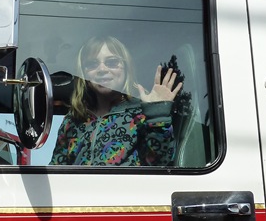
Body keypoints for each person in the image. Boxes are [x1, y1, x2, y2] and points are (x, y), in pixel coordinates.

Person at [50, 36, 182, 166]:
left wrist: (157, 115)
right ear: (83, 73)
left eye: (112, 63)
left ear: (126, 68)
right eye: (92, 64)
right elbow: (57, 167)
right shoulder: (74, 119)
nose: (102, 69)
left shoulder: (141, 114)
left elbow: (161, 162)